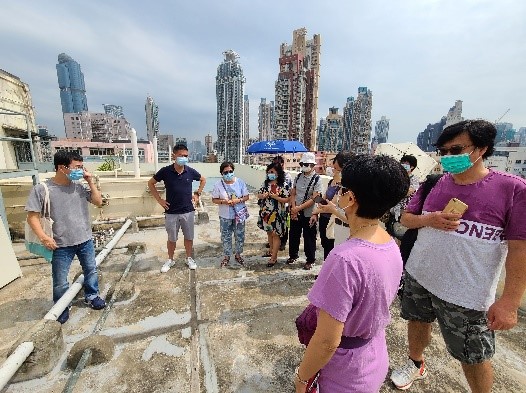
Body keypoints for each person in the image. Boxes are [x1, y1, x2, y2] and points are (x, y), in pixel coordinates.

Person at [390, 120, 526, 392]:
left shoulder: (512, 189)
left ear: (482, 148)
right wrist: (430, 219)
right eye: (444, 151)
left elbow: (519, 249)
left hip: (468, 293)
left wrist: (510, 302)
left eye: (457, 150)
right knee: (417, 322)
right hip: (421, 274)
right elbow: (406, 218)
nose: (449, 157)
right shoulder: (433, 184)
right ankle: (416, 363)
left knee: (473, 354)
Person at [294, 155, 410, 392]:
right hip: (372, 357)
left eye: (343, 189)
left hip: (343, 373)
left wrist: (302, 379)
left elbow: (327, 341)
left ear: (350, 197)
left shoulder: (344, 259)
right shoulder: (389, 243)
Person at [25, 150, 106, 324]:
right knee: (60, 280)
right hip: (60, 243)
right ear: (62, 168)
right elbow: (32, 217)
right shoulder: (42, 189)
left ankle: (91, 295)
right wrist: (44, 238)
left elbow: (99, 202)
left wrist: (90, 181)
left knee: (91, 270)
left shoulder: (78, 186)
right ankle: (61, 305)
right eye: (77, 167)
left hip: (84, 239)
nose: (81, 170)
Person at [148, 144, 206, 272]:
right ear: (174, 156)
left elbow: (203, 180)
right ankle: (170, 259)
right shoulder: (165, 171)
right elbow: (151, 183)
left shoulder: (190, 171)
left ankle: (189, 258)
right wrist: (159, 200)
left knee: (189, 237)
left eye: (186, 156)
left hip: (188, 211)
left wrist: (197, 194)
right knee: (172, 238)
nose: (183, 158)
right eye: (181, 156)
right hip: (171, 212)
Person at [287, 152, 323, 270]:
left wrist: (298, 208)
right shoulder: (298, 177)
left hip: (309, 213)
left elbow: (315, 198)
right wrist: (293, 208)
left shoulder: (317, 179)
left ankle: (310, 259)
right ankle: (293, 255)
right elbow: (293, 193)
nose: (304, 166)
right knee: (293, 234)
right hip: (296, 211)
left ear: (312, 165)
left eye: (306, 164)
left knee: (309, 237)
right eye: (302, 164)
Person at [314, 151, 354, 258]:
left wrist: (318, 210)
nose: (334, 171)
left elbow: (336, 206)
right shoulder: (334, 182)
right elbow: (327, 200)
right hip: (327, 219)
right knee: (326, 248)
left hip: (340, 225)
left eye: (337, 169)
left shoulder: (349, 189)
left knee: (334, 252)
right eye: (334, 168)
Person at [211, 162, 250, 267]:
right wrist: (224, 202)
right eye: (226, 172)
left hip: (239, 215)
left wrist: (238, 200)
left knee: (240, 235)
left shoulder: (240, 182)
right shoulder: (218, 185)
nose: (228, 173)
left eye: (230, 171)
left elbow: (246, 196)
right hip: (225, 216)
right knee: (226, 237)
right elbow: (214, 199)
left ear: (233, 171)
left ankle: (238, 255)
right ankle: (226, 257)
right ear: (221, 173)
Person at [256, 163, 291, 267]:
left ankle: (274, 257)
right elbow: (259, 195)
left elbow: (287, 199)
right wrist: (263, 196)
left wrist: (276, 197)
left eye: (272, 172)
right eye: (269, 172)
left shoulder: (283, 185)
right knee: (269, 233)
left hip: (278, 214)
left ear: (278, 173)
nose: (270, 174)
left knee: (276, 235)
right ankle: (271, 251)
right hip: (266, 213)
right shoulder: (265, 184)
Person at [386, 154, 420, 240]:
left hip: (403, 212)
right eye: (402, 162)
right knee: (390, 235)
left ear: (412, 167)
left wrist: (396, 189)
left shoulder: (414, 179)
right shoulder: (396, 177)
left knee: (401, 236)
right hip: (392, 211)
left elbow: (409, 191)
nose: (402, 165)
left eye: (405, 163)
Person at [273, 155, 293, 251]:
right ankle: (273, 241)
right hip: (273, 205)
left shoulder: (287, 176)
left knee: (284, 224)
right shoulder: (272, 175)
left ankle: (283, 242)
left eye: (277, 163)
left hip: (284, 204)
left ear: (282, 164)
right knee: (273, 222)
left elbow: (290, 191)